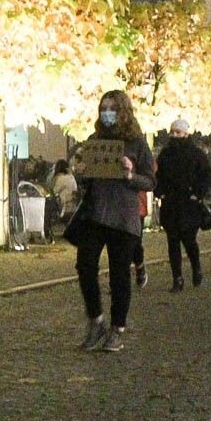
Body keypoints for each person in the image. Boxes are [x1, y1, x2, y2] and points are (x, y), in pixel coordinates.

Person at [74, 90, 155, 352]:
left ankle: (117, 328)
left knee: (119, 275)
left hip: (123, 217)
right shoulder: (94, 140)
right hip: (96, 214)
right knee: (85, 265)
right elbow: (87, 181)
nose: (106, 113)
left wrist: (131, 175)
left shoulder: (136, 142)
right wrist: (82, 173)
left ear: (122, 111)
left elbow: (151, 182)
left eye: (111, 108)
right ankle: (95, 320)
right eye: (103, 108)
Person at [154, 118, 211, 291]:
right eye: (173, 132)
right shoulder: (165, 154)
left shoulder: (196, 154)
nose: (174, 135)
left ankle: (196, 268)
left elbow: (206, 176)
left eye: (178, 132)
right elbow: (158, 176)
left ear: (186, 134)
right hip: (171, 204)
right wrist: (160, 192)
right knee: (173, 243)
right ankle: (177, 278)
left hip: (189, 204)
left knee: (189, 241)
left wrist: (197, 193)